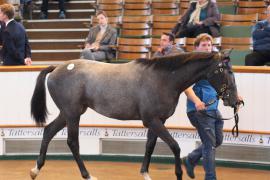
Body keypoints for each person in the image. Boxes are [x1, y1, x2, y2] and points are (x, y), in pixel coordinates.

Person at [183, 33, 224, 180]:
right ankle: (210, 178)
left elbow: (221, 84)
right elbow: (186, 87)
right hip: (198, 111)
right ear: (196, 47)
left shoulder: (214, 62)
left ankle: (191, 158)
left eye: (209, 45)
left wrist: (235, 97)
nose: (207, 48)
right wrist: (196, 101)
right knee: (209, 145)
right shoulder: (192, 64)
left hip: (213, 109)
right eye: (204, 45)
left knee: (217, 141)